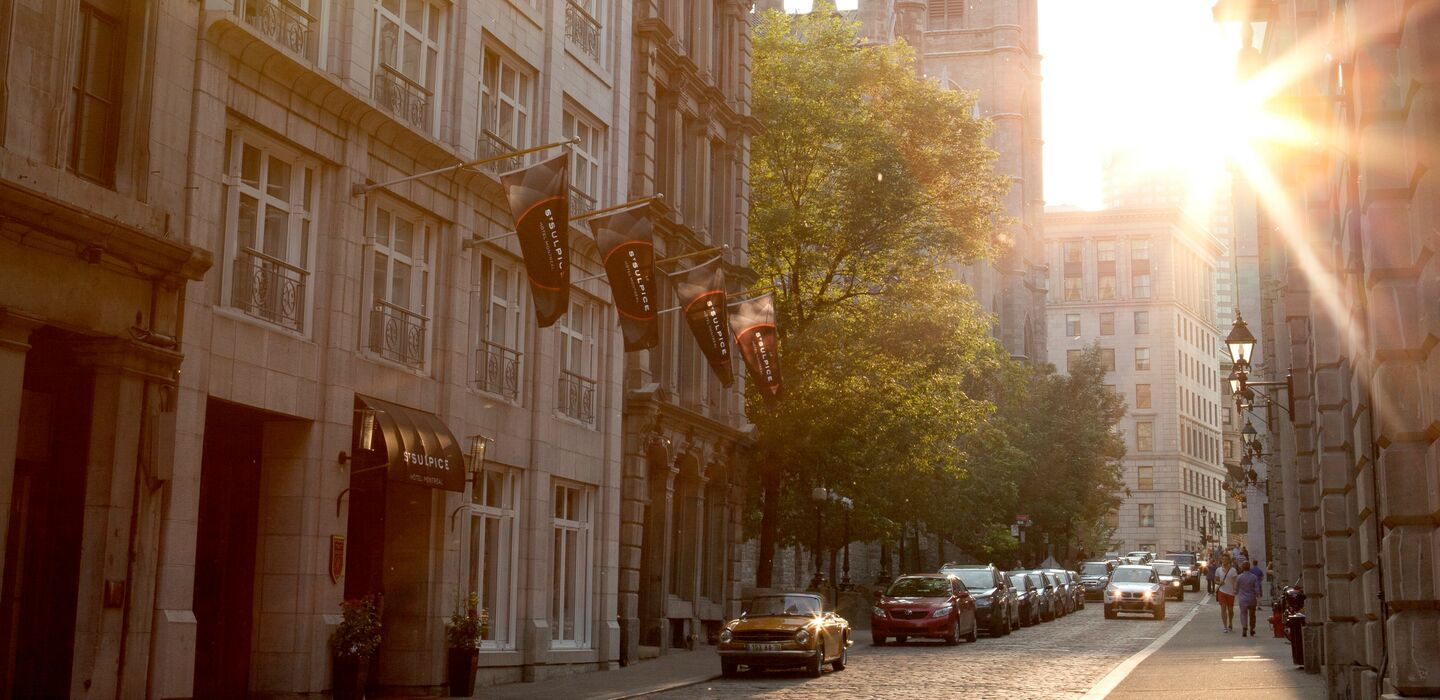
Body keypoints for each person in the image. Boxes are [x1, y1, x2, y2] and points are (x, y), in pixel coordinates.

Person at [1215, 553, 1240, 633]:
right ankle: (1225, 626)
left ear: (1229, 560)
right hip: (1222, 591)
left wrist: (1235, 589)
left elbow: (1235, 581)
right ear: (1221, 560)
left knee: (1230, 610)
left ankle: (1230, 623)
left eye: (1226, 559)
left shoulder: (1233, 570)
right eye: (1223, 559)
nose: (1224, 561)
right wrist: (1219, 583)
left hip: (1230, 592)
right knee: (1223, 608)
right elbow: (1215, 580)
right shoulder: (1218, 570)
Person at [1236, 561, 1262, 637]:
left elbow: (1236, 589)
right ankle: (1252, 629)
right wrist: (1258, 596)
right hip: (1252, 598)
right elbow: (1257, 589)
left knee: (1243, 614)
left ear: (1242, 568)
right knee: (1252, 615)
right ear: (1249, 567)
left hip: (1243, 599)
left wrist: (1236, 592)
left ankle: (1244, 628)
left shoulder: (1239, 577)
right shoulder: (1254, 577)